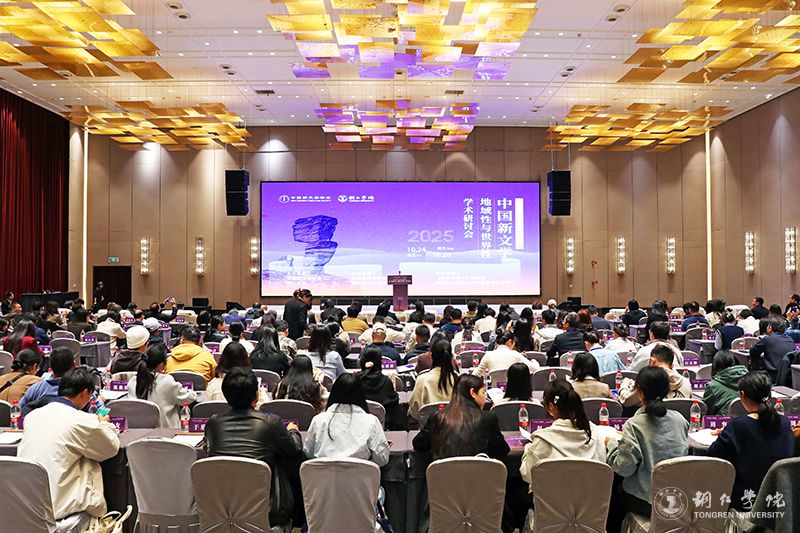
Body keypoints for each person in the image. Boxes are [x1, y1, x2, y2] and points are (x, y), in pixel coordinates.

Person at [204, 367, 304, 529]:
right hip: (265, 510)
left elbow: (207, 450)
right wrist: (293, 432)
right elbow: (295, 452)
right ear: (257, 395)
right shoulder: (270, 423)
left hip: (222, 506)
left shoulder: (213, 423)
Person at [19, 367, 120, 522]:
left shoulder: (32, 416)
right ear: (85, 393)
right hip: (59, 509)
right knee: (89, 462)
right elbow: (110, 448)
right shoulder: (81, 420)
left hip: (26, 506)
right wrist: (105, 424)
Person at [606, 366, 689, 527]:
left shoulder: (635, 425)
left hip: (647, 501)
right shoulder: (680, 420)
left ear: (639, 392)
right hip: (676, 494)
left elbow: (623, 468)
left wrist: (612, 443)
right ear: (667, 391)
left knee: (614, 491)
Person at [707, 372, 794, 511]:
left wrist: (725, 435)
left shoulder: (738, 426)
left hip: (745, 503)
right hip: (780, 501)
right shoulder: (784, 423)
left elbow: (712, 458)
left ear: (742, 394)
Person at [520, 379, 605, 487]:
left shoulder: (542, 440)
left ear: (551, 406)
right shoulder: (593, 432)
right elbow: (602, 465)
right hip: (591, 496)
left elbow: (527, 474)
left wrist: (528, 449)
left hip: (553, 498)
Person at [413, 373, 509, 459]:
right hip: (479, 473)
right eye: (483, 392)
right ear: (473, 393)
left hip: (444, 473)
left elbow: (418, 444)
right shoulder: (488, 418)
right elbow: (502, 451)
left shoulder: (437, 417)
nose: (484, 397)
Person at [304, 372, 390, 466]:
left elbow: (308, 453)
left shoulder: (318, 420)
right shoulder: (372, 422)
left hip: (322, 475)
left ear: (333, 394)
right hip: (360, 475)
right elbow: (382, 459)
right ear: (361, 395)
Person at [128, 343, 196, 428]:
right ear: (161, 364)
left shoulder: (132, 382)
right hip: (166, 431)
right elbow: (187, 398)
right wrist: (192, 392)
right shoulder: (167, 381)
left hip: (139, 431)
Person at [619, 344, 691, 408]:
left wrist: (624, 385)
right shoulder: (686, 382)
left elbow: (627, 401)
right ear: (672, 366)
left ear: (653, 361)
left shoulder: (648, 380)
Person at [408, 339, 459, 421]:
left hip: (428, 427)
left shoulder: (422, 379)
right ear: (451, 356)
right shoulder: (460, 380)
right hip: (457, 427)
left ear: (431, 356)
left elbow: (414, 412)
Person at [207, 342, 268, 407]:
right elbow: (264, 406)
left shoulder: (212, 385)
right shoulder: (251, 385)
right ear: (246, 360)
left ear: (222, 359)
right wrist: (263, 393)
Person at [358, 346, 401, 428]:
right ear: (380, 362)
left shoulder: (354, 381)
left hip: (357, 426)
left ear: (361, 362)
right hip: (382, 427)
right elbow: (394, 401)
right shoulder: (386, 381)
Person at [749, 318, 796, 383]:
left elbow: (753, 352)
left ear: (770, 328)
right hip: (788, 376)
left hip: (771, 376)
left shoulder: (767, 339)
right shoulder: (790, 339)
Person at [473, 331, 539, 377]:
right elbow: (535, 369)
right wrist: (534, 361)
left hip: (493, 391)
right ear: (510, 341)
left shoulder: (488, 355)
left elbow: (475, 375)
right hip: (512, 391)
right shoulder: (515, 354)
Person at [703, 351, 748, 415]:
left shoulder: (713, 386)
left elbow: (706, 413)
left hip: (724, 420)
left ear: (715, 365)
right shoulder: (751, 380)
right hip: (750, 419)